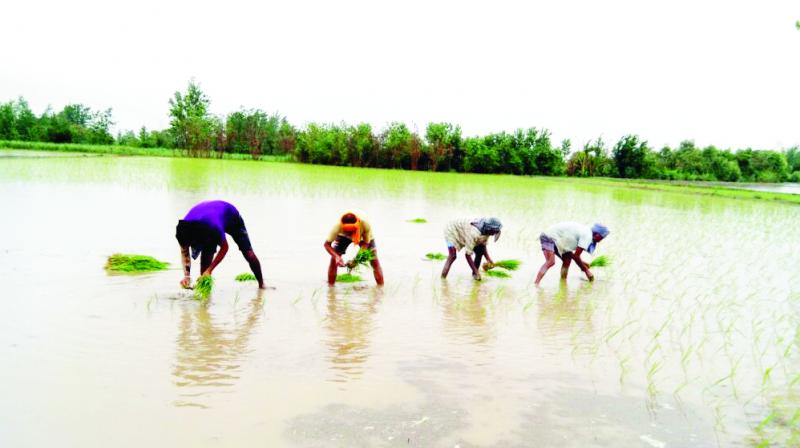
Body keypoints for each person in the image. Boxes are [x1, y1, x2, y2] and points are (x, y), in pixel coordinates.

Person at [175, 200, 265, 289]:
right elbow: (184, 253)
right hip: (206, 220)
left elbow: (225, 248)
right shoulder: (184, 230)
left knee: (248, 254)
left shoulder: (213, 227)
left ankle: (262, 285)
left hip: (231, 217)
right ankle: (205, 298)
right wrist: (187, 276)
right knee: (205, 261)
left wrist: (210, 270)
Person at [534, 222, 609, 285]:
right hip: (549, 236)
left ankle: (563, 283)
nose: (601, 240)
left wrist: (582, 264)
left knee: (567, 260)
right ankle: (536, 284)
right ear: (597, 235)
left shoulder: (586, 231)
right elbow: (576, 256)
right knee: (551, 261)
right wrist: (586, 270)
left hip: (558, 240)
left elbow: (574, 255)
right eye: (602, 238)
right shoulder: (587, 236)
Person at [324, 211, 384, 286]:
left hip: (361, 234)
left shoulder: (365, 225)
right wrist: (337, 257)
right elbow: (326, 244)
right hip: (343, 236)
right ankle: (331, 288)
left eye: (351, 232)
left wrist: (356, 261)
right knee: (333, 260)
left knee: (374, 260)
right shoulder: (337, 226)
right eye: (347, 232)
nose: (350, 235)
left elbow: (365, 245)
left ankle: (380, 289)